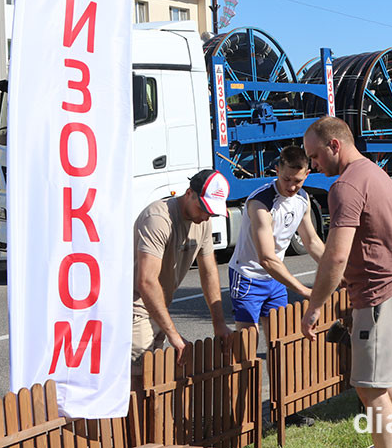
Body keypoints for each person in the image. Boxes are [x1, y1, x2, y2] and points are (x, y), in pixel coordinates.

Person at [300, 117, 392, 448]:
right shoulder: (375, 173)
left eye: (314, 156)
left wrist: (314, 306)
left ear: (334, 145)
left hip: (380, 296)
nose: (312, 165)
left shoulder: (345, 187)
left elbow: (336, 256)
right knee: (385, 382)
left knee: (371, 392)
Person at [227, 145, 325, 427]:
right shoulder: (260, 203)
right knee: (246, 350)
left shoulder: (303, 199)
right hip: (248, 278)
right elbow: (267, 259)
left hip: (274, 281)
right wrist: (304, 290)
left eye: (299, 181)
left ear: (307, 174)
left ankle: (285, 410)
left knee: (280, 347)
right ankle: (243, 416)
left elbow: (313, 243)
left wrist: (336, 269)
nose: (292, 187)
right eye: (287, 180)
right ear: (277, 170)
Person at [132, 169, 233, 376]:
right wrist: (174, 335)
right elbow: (146, 281)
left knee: (153, 376)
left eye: (212, 212)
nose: (206, 217)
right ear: (189, 193)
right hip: (135, 306)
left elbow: (209, 272)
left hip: (160, 305)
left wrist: (219, 323)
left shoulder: (203, 223)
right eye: (203, 208)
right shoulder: (158, 219)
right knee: (139, 378)